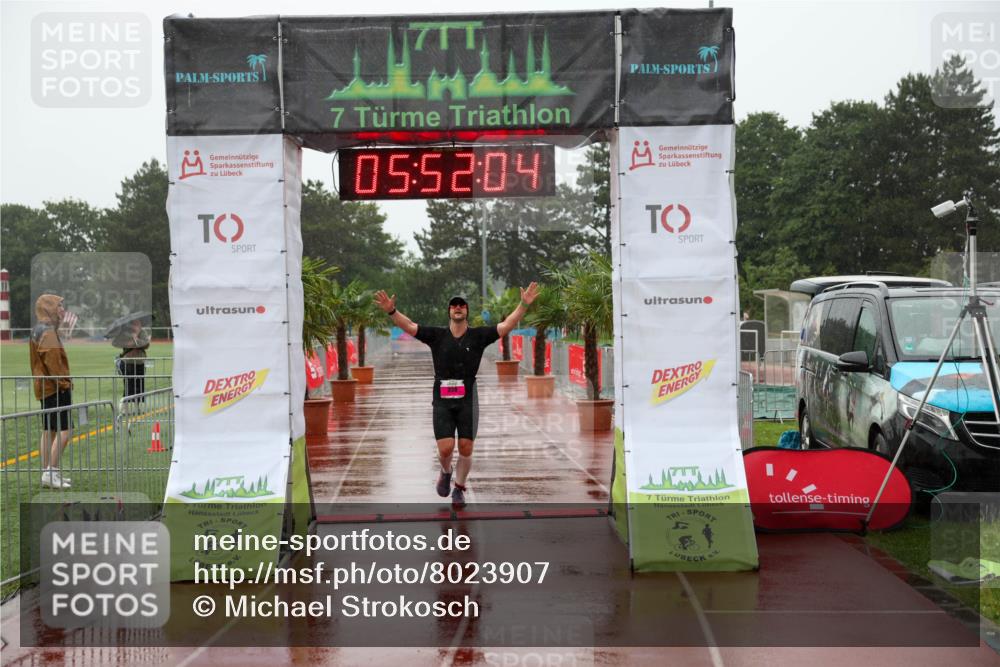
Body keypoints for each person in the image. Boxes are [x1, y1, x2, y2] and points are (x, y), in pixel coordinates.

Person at [374, 285, 539, 508]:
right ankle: (445, 471)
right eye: (454, 305)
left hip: (468, 398)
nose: (458, 308)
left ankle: (459, 488)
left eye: (462, 305)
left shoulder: (479, 336)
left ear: (467, 311)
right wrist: (392, 311)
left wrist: (524, 304)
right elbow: (410, 326)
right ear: (449, 311)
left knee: (466, 447)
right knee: (445, 448)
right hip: (442, 398)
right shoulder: (437, 336)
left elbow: (506, 325)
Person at [29, 294, 73, 489]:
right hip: (55, 388)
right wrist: (65, 383)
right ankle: (51, 472)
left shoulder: (41, 330)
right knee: (65, 430)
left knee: (49, 431)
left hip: (45, 387)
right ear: (50, 309)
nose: (62, 310)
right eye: (59, 306)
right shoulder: (47, 332)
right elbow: (54, 364)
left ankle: (48, 472)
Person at [112, 318, 150, 414]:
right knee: (129, 385)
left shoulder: (142, 332)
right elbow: (123, 343)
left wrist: (137, 339)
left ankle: (137, 408)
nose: (138, 324)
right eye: (135, 322)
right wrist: (134, 342)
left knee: (139, 385)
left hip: (140, 362)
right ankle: (124, 408)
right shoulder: (125, 333)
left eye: (138, 322)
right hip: (128, 362)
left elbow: (147, 344)